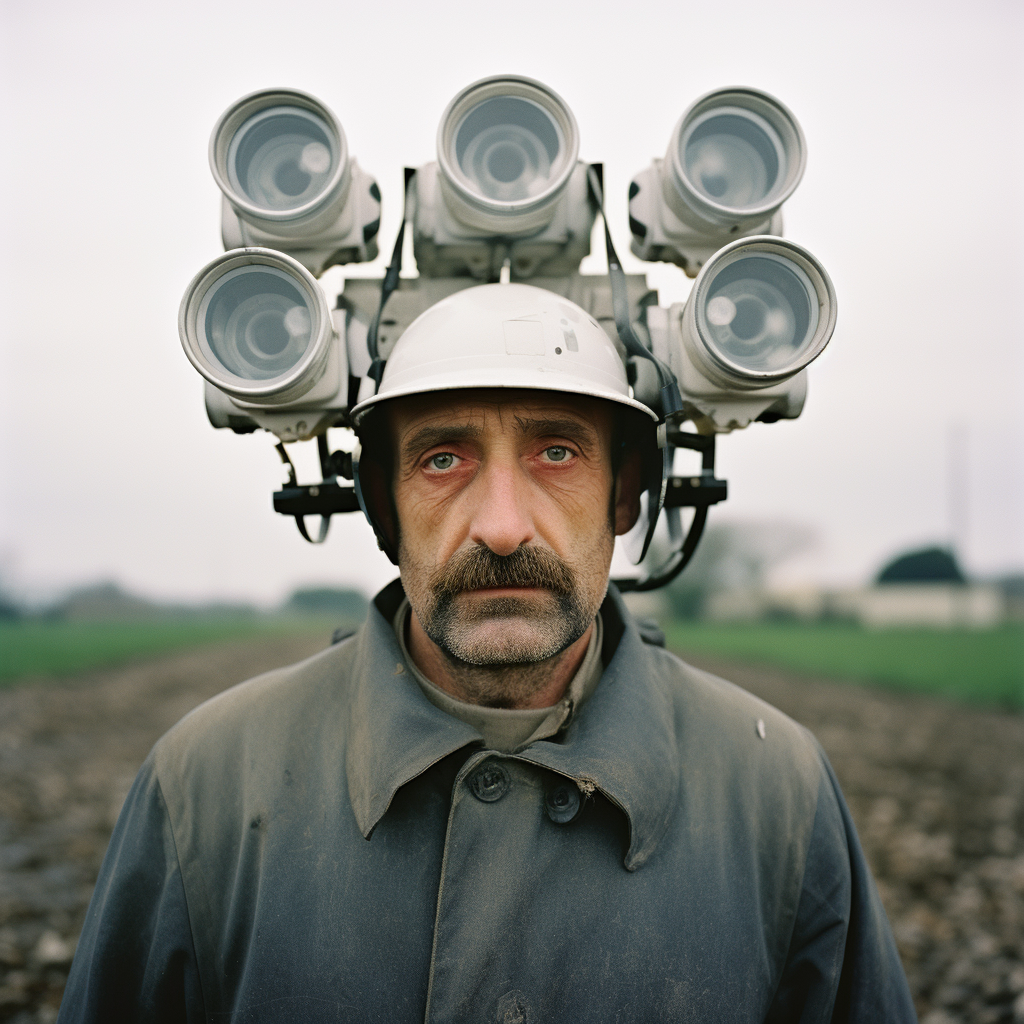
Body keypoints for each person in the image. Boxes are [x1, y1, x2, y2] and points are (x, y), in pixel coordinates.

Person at [58, 284, 917, 1022]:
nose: (502, 525)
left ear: (624, 494)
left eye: (556, 451)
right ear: (383, 509)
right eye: (442, 457)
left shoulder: (778, 789)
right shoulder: (205, 782)